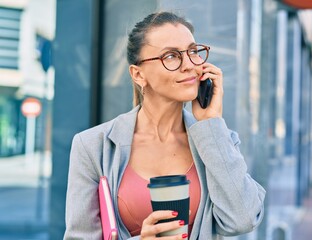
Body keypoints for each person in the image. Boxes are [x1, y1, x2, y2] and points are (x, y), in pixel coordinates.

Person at [64, 11, 266, 240]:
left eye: (192, 52)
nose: (189, 65)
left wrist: (211, 123)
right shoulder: (93, 146)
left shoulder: (218, 140)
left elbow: (243, 220)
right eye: (171, 56)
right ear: (138, 74)